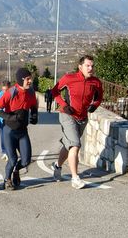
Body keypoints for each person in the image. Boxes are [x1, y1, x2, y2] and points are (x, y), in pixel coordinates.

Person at [50, 55, 103, 189]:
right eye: (87, 66)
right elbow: (54, 91)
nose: (90, 68)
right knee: (75, 145)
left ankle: (57, 166)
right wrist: (63, 104)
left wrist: (95, 105)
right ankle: (75, 178)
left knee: (69, 145)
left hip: (82, 118)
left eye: (92, 66)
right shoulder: (69, 78)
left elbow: (99, 97)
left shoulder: (96, 82)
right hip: (67, 115)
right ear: (80, 67)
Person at [0, 68, 38, 190]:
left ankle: (16, 171)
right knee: (12, 160)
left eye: (30, 78)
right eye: (28, 79)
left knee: (26, 161)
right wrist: (8, 117)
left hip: (22, 132)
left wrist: (34, 115)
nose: (30, 81)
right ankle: (7, 180)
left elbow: (33, 105)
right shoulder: (11, 92)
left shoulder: (31, 92)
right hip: (9, 131)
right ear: (21, 80)